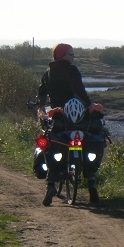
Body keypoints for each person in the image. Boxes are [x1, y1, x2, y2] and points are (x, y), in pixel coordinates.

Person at [38, 43, 100, 206]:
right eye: (70, 53)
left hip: (57, 115)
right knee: (89, 138)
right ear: (62, 55)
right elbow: (79, 90)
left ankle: (51, 184)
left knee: (50, 142)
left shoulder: (48, 73)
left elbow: (42, 93)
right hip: (75, 114)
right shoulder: (72, 70)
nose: (73, 56)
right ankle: (91, 181)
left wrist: (42, 107)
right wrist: (89, 104)